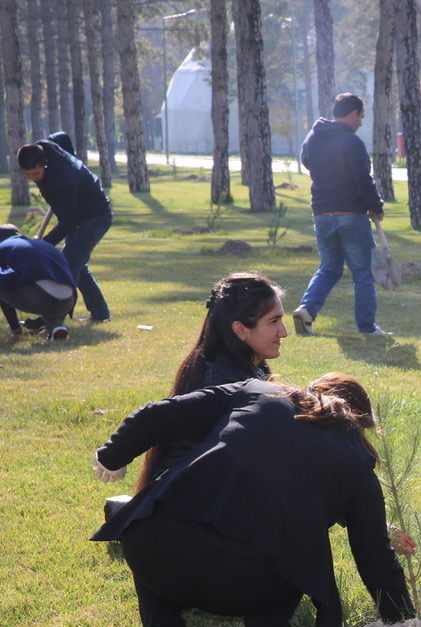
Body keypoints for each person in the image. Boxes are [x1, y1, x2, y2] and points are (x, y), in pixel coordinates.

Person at [91, 374, 417, 627]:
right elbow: (375, 560)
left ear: (309, 392)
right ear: (360, 424)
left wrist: (112, 454)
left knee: (163, 510)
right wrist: (405, 625)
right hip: (248, 589)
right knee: (292, 537)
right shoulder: (358, 461)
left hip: (154, 557)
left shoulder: (256, 390)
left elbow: (160, 413)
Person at [133, 271, 289, 488]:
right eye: (274, 321)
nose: (283, 332)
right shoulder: (226, 380)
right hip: (188, 502)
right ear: (240, 329)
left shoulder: (248, 364)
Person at [291, 93, 391, 337]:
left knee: (329, 267)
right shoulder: (352, 142)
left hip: (322, 214)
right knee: (363, 273)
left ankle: (306, 310)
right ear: (353, 114)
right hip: (351, 215)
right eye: (361, 117)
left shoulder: (313, 136)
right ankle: (367, 327)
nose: (361, 123)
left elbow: (306, 162)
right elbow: (362, 180)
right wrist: (375, 205)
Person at [17, 131, 113, 322]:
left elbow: (70, 221)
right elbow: (62, 136)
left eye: (36, 173)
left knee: (67, 266)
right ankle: (100, 312)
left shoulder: (63, 181)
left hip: (94, 216)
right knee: (77, 263)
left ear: (45, 164)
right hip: (78, 212)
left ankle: (52, 321)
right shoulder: (42, 146)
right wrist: (71, 155)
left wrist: (44, 244)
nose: (34, 179)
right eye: (28, 175)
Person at [0, 223, 77, 341]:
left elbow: (5, 279)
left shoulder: (3, 247)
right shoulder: (43, 244)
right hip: (68, 301)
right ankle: (56, 327)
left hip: (42, 298)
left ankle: (16, 330)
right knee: (48, 290)